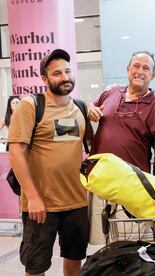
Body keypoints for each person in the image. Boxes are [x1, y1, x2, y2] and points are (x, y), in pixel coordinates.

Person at [8, 49, 90, 276]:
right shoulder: (31, 106)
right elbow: (16, 153)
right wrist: (32, 197)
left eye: (67, 71)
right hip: (40, 205)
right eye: (57, 73)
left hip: (76, 202)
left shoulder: (81, 107)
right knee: (36, 266)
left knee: (75, 258)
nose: (64, 77)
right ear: (45, 79)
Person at [87, 51, 155, 179]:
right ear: (128, 69)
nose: (139, 71)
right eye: (136, 66)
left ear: (153, 75)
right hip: (98, 178)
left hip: (132, 183)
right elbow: (92, 107)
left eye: (145, 68)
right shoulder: (111, 92)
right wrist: (90, 108)